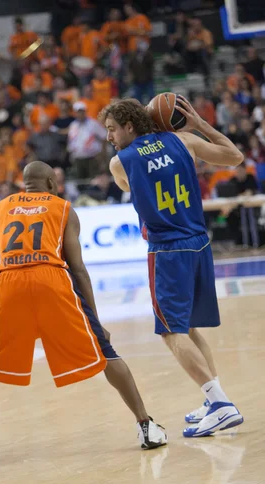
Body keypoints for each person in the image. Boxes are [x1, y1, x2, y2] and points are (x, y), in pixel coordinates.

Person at [0, 161, 167, 462]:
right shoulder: (63, 208)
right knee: (105, 353)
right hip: (52, 281)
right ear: (52, 184)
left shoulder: (0, 208)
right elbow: (78, 269)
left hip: (9, 283)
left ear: (23, 185)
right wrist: (94, 320)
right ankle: (146, 426)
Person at [103, 97, 244, 437]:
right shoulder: (184, 140)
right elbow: (235, 157)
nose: (109, 137)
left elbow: (130, 185)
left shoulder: (120, 162)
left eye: (111, 129)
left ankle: (221, 404)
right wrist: (197, 123)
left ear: (130, 126)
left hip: (167, 249)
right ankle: (214, 400)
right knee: (190, 327)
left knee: (170, 331)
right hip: (199, 241)